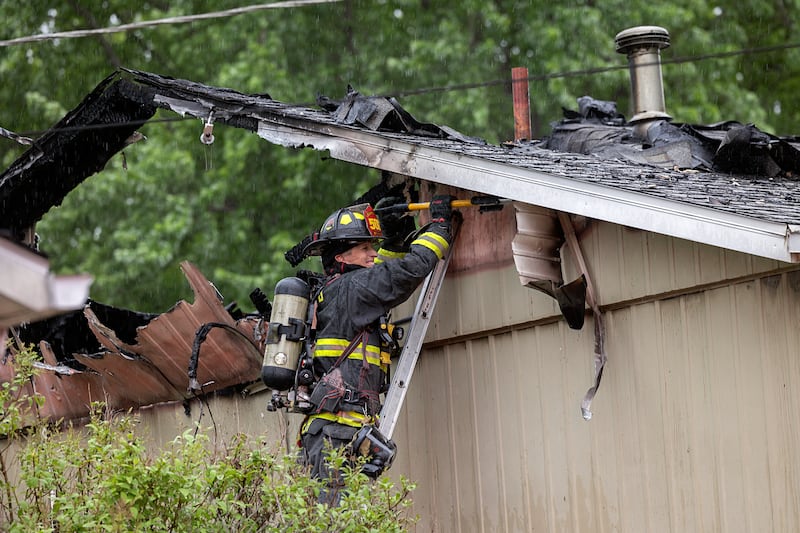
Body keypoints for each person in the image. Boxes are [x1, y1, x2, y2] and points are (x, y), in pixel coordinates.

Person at [298, 194, 454, 503]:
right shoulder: (353, 289)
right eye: (365, 248)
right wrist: (439, 227)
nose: (373, 254)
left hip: (341, 433)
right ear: (342, 257)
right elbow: (405, 273)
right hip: (337, 434)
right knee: (335, 523)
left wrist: (394, 240)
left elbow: (381, 274)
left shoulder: (342, 290)